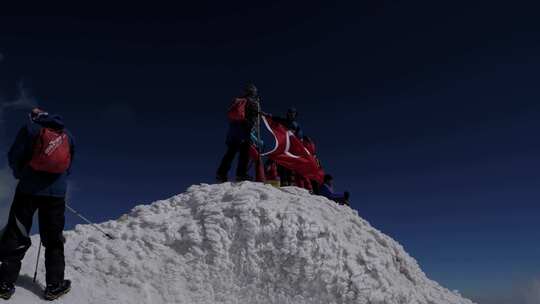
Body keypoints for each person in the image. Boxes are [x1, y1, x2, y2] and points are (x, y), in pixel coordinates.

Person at [0, 108, 74, 301]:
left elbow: (14, 156)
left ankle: (4, 283)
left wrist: (21, 174)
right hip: (56, 195)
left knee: (17, 232)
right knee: (53, 239)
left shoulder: (31, 129)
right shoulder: (67, 135)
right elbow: (69, 165)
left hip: (28, 190)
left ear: (35, 117)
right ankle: (54, 285)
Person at [216, 84, 261, 182]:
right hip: (244, 130)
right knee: (244, 153)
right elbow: (253, 117)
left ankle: (221, 174)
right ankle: (241, 174)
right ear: (252, 92)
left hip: (233, 132)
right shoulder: (251, 102)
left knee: (231, 152)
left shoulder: (239, 100)